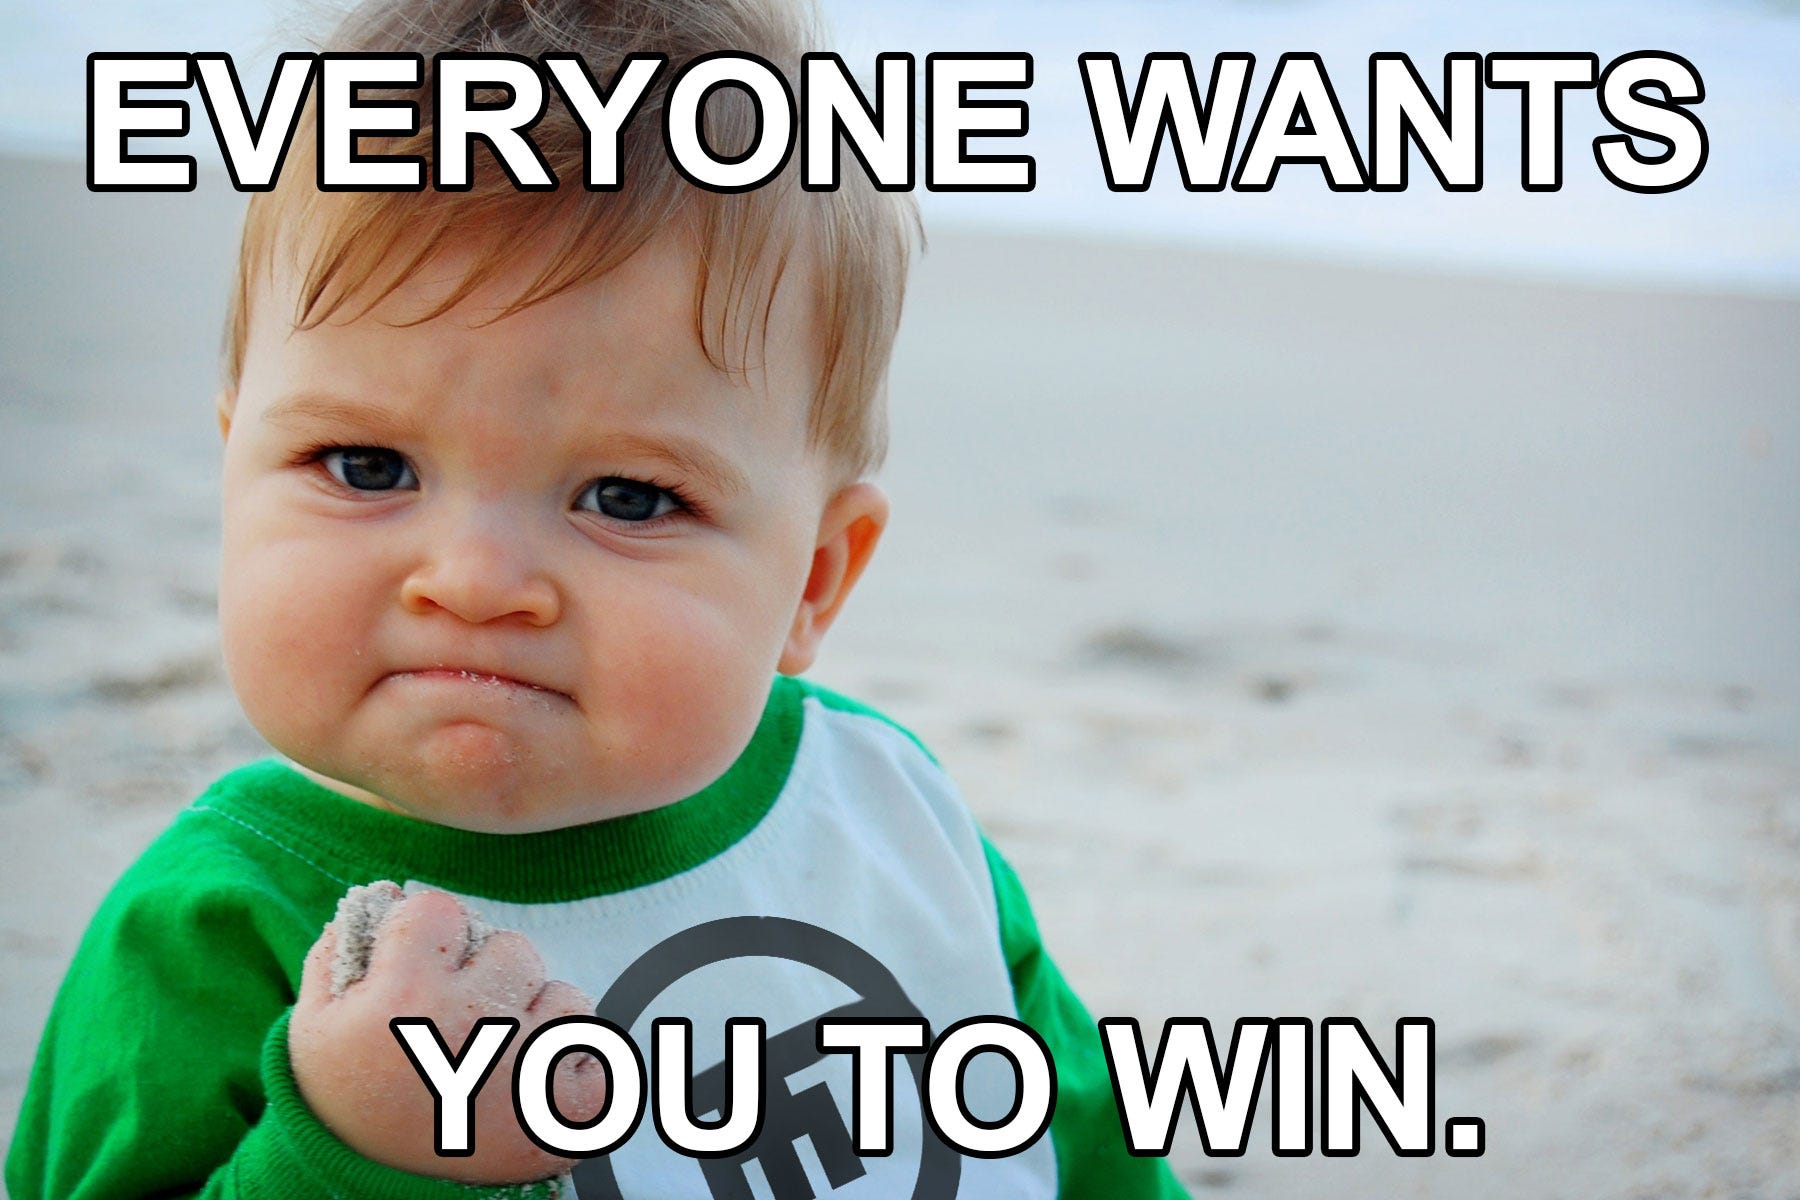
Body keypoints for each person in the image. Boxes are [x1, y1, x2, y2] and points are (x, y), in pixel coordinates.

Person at [7, 1, 1190, 1197]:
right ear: (234, 477)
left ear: (814, 581)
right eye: (366, 467)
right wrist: (356, 1154)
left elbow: (1093, 1156)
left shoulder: (890, 816)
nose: (475, 581)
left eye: (628, 498)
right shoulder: (216, 927)